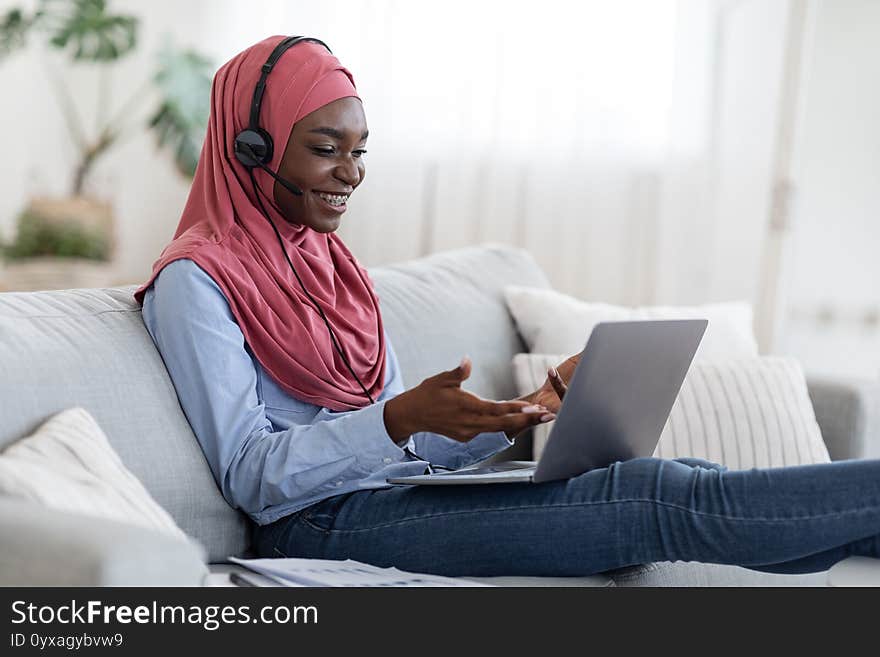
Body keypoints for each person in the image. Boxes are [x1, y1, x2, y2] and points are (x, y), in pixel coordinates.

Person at [136, 35, 880, 578]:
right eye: (328, 148)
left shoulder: (332, 267)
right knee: (655, 493)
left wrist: (523, 408)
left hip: (383, 500)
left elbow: (401, 446)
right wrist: (397, 419)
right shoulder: (194, 282)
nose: (351, 174)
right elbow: (251, 476)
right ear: (252, 147)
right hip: (314, 527)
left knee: (681, 468)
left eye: (361, 151)